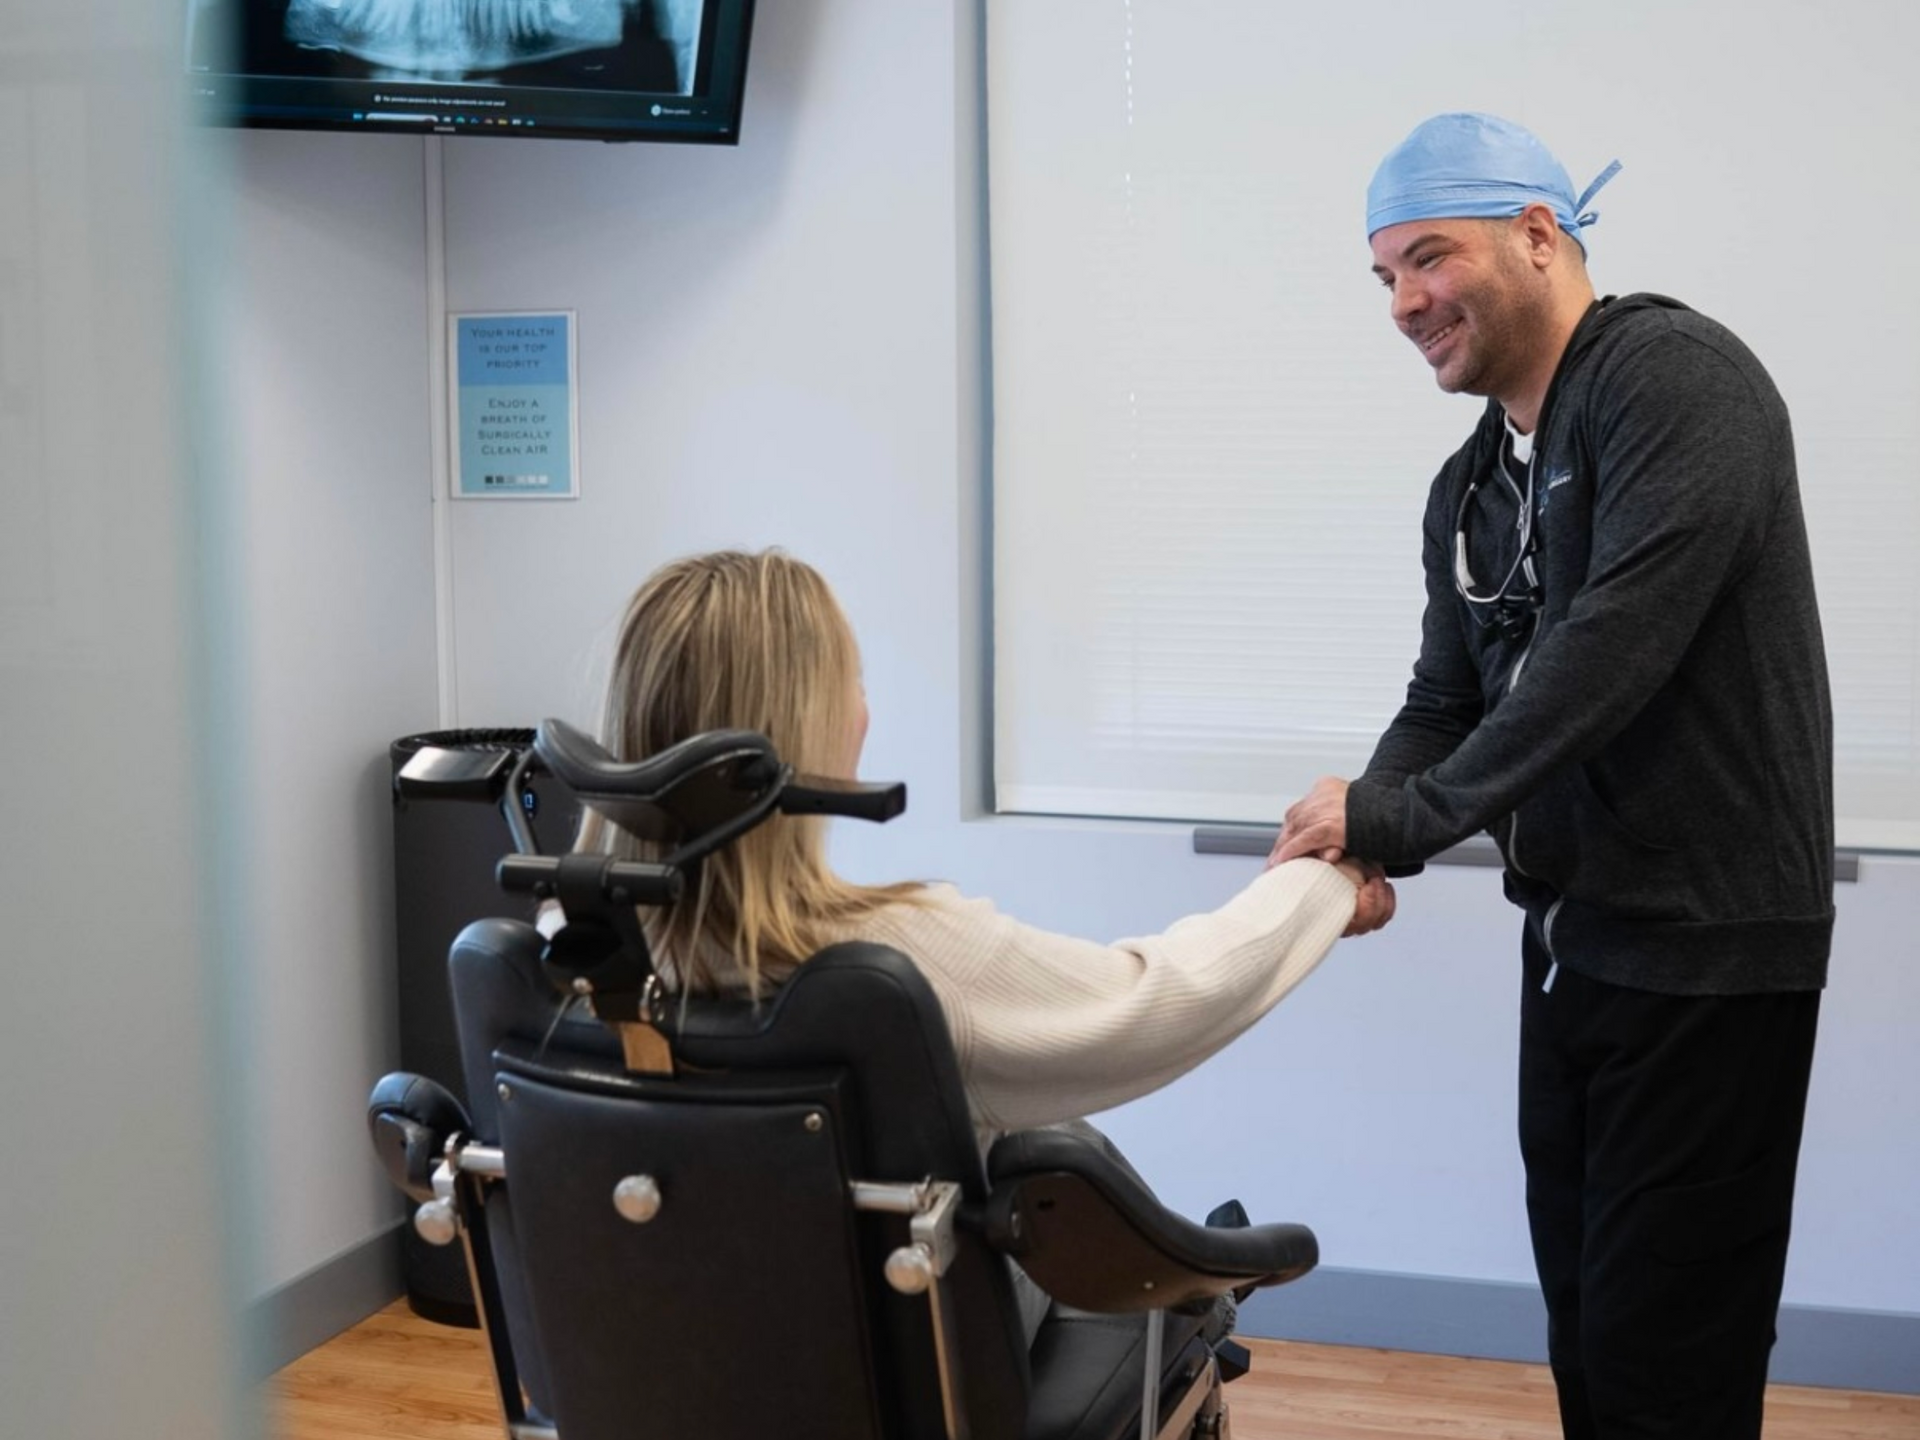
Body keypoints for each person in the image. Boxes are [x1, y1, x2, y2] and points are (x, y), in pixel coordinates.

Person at [1269, 113, 1832, 1440]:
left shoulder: (1674, 382)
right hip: (1573, 953)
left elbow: (1609, 653)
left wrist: (1404, 814)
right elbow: (1444, 701)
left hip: (1708, 959)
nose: (1405, 301)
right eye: (1384, 277)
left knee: (1666, 1362)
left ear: (1538, 236)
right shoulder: (1473, 484)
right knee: (1587, 1336)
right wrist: (1355, 835)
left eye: (1428, 258)